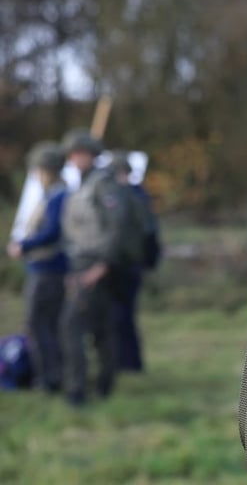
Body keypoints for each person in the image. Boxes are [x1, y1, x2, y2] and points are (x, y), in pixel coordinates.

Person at [60, 129, 141, 406]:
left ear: (89, 154)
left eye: (76, 153)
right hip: (81, 263)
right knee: (100, 328)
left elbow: (115, 227)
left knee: (73, 326)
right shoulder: (82, 184)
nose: (72, 159)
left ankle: (78, 390)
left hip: (97, 265)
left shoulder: (103, 184)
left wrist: (102, 265)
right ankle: (104, 384)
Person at [6, 141, 68, 393]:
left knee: (39, 323)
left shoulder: (58, 196)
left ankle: (49, 379)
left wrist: (24, 245)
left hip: (48, 270)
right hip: (45, 269)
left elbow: (52, 232)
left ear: (46, 170)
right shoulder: (55, 194)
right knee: (46, 323)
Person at [108, 151, 160, 372]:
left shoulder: (134, 197)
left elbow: (149, 232)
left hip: (128, 264)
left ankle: (129, 363)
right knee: (119, 315)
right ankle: (124, 361)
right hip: (123, 263)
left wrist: (147, 259)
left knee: (124, 315)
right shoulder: (128, 196)